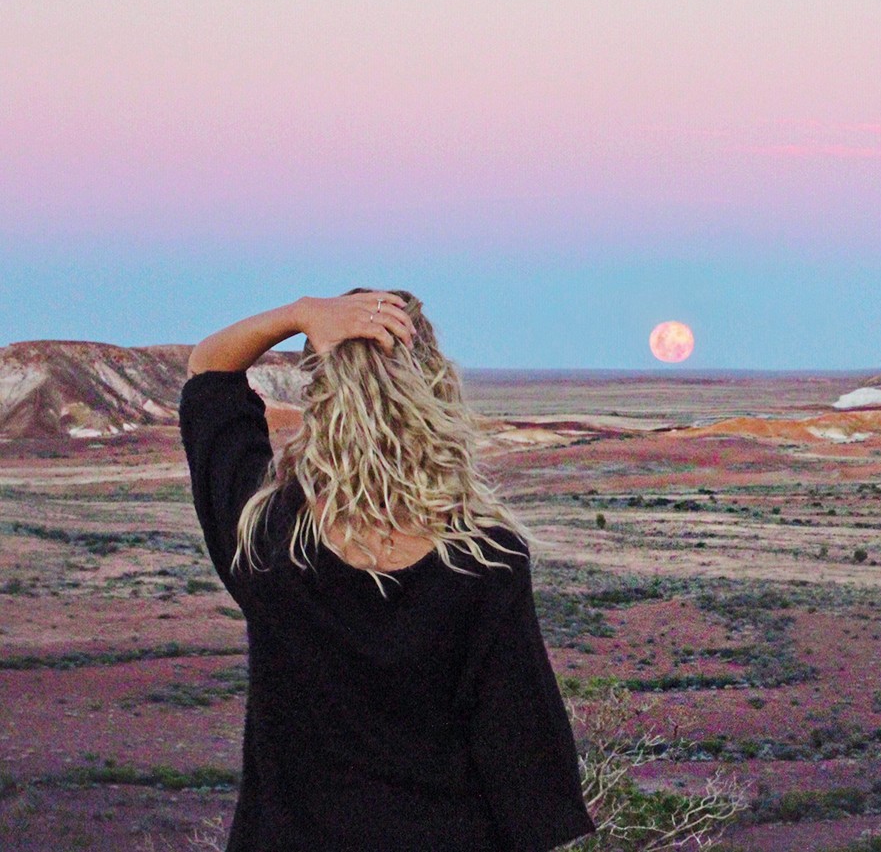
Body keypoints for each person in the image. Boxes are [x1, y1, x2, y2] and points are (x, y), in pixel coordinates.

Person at [178, 288, 596, 852]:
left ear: (321, 395)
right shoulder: (484, 557)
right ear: (433, 388)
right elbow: (523, 762)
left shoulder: (265, 540)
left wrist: (301, 313)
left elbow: (209, 369)